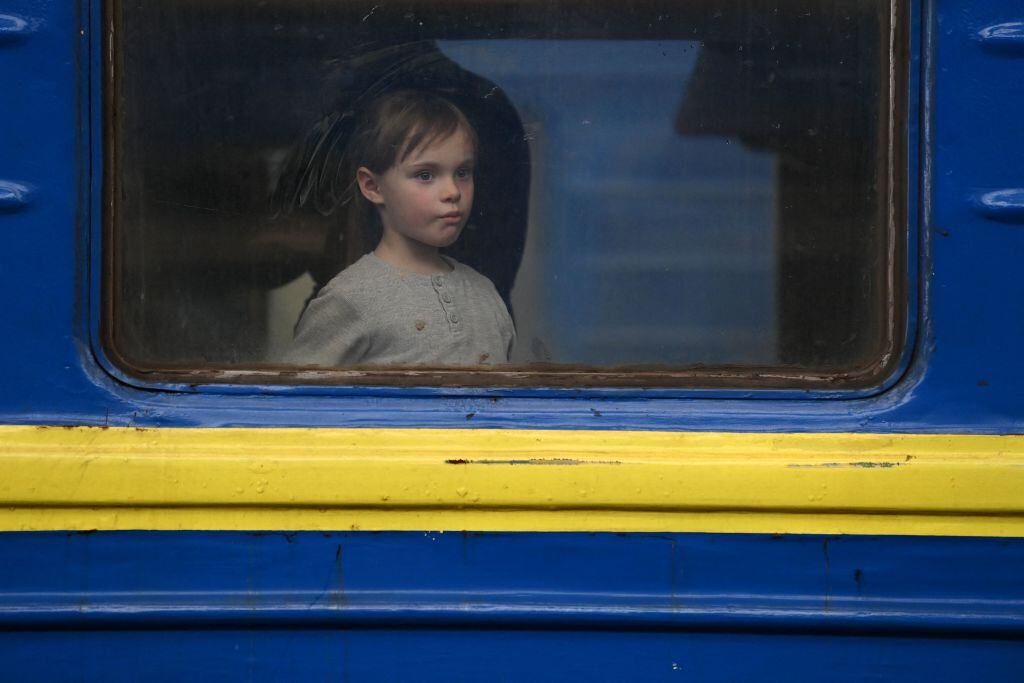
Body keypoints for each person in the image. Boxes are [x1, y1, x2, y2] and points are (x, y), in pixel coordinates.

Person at [285, 90, 515, 367]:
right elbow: (296, 402)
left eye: (462, 172)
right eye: (425, 175)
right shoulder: (350, 298)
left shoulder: (484, 293)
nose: (453, 191)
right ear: (372, 186)